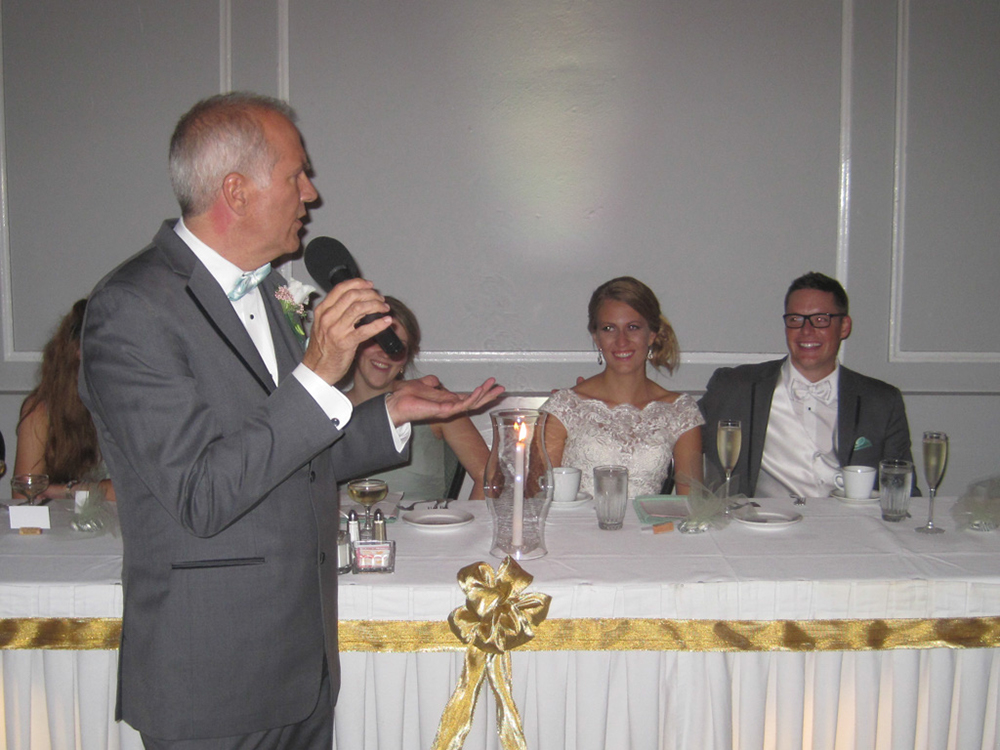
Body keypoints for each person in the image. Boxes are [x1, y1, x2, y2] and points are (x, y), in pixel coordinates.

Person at [78, 92, 502, 749]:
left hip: (301, 667)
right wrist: (317, 372)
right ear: (236, 191)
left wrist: (389, 413)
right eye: (296, 174)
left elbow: (293, 460)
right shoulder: (132, 309)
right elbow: (201, 493)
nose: (312, 193)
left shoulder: (274, 288)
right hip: (214, 678)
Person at [699, 271, 916, 498]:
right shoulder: (735, 387)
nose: (806, 331)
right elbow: (684, 433)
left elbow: (902, 490)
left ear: (844, 326)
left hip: (850, 519)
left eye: (821, 319)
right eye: (795, 320)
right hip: (763, 518)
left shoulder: (881, 400)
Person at [543, 276, 704, 497]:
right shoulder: (565, 407)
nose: (621, 341)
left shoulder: (680, 411)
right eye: (609, 328)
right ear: (597, 338)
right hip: (576, 520)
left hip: (649, 520)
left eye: (633, 327)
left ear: (652, 335)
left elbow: (693, 503)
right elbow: (540, 496)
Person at [340, 296, 489, 500]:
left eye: (396, 346)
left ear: (406, 359)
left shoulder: (435, 402)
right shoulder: (325, 409)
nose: (384, 353)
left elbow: (488, 474)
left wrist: (466, 520)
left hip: (422, 521)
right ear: (356, 345)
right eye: (376, 340)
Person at [13, 299, 114, 501]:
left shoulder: (140, 406)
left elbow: (141, 490)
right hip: (62, 519)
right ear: (76, 352)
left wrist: (64, 490)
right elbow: (24, 494)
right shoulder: (43, 411)